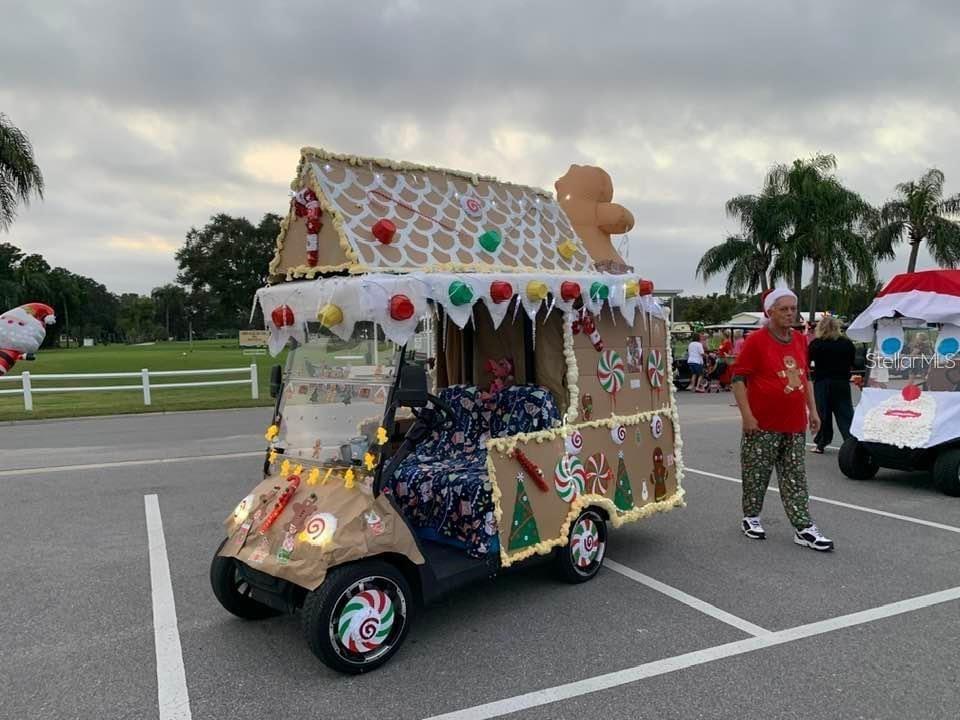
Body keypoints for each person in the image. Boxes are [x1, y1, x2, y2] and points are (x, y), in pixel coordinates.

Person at [731, 287, 834, 551]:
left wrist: (813, 410)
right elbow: (738, 379)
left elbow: (804, 377)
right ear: (770, 312)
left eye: (792, 308)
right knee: (756, 473)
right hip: (762, 423)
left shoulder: (800, 340)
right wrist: (747, 416)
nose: (790, 314)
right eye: (784, 309)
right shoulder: (756, 341)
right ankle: (751, 517)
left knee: (795, 477)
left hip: (793, 424)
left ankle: (803, 526)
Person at [808, 316, 856, 453]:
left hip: (823, 381)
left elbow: (807, 361)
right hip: (841, 382)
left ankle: (821, 443)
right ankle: (852, 443)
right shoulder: (847, 344)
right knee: (845, 413)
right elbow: (853, 361)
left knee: (823, 414)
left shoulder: (816, 344)